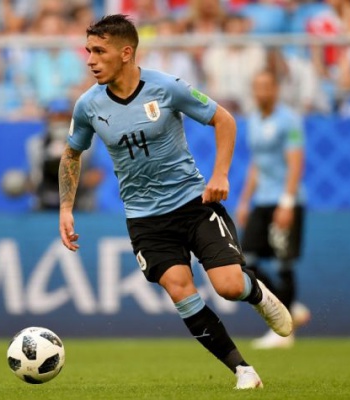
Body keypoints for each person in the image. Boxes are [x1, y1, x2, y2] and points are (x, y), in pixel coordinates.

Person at [58, 14, 292, 390]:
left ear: (126, 52)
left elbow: (225, 120)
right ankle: (243, 370)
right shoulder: (87, 105)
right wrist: (66, 208)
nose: (90, 60)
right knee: (181, 289)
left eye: (99, 51)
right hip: (145, 219)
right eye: (88, 51)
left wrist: (220, 175)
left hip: (192, 204)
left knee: (229, 286)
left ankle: (257, 293)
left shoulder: (166, 87)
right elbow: (71, 154)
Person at [236, 70, 308, 350]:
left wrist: (287, 202)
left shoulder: (289, 120)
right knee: (246, 261)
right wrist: (245, 201)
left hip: (284, 201)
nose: (262, 92)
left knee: (283, 262)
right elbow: (256, 164)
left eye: (267, 86)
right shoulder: (253, 120)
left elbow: (295, 162)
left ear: (276, 90)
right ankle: (292, 309)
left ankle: (284, 333)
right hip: (262, 201)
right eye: (257, 87)